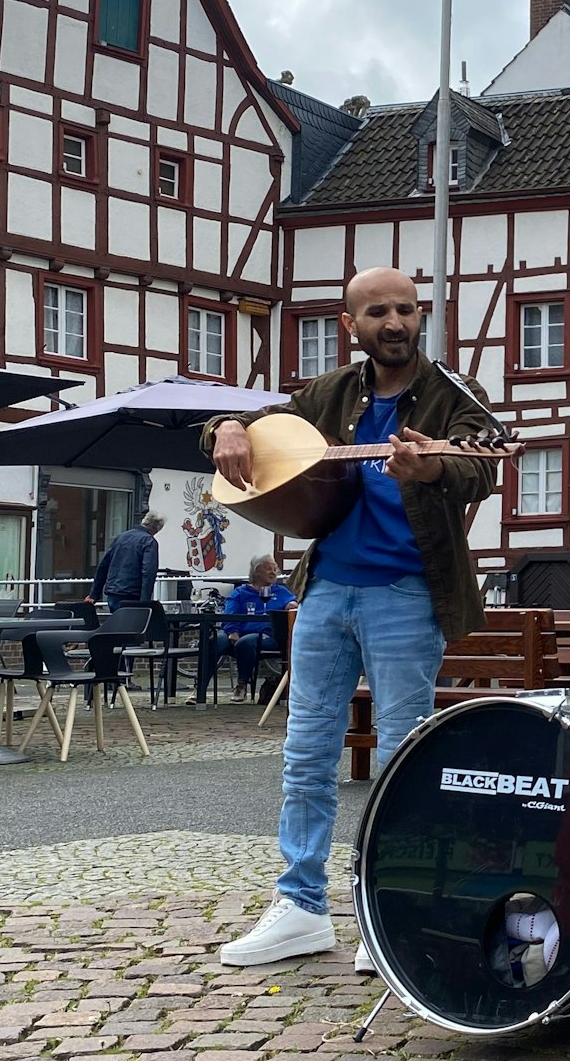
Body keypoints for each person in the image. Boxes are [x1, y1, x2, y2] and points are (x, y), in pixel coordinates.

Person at [203, 265, 498, 971]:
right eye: (377, 313)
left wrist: (435, 470)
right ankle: (301, 904)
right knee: (306, 753)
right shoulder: (329, 393)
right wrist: (227, 427)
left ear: (420, 314)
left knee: (402, 757)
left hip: (407, 591)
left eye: (404, 309)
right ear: (351, 324)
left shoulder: (456, 391)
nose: (393, 323)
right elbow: (252, 428)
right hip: (328, 588)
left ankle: (392, 905)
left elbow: (484, 461)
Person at [205, 555, 297, 703]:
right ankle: (200, 689)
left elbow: (293, 603)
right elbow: (229, 614)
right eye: (268, 569)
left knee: (246, 642)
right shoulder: (241, 593)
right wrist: (232, 631)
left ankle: (241, 685)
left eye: (275, 569)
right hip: (237, 633)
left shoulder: (280, 591)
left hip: (268, 636)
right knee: (214, 640)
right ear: (256, 571)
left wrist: (292, 604)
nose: (273, 572)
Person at [88, 511, 163, 608]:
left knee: (117, 621)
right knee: (134, 622)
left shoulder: (121, 537)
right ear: (155, 528)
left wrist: (94, 594)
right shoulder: (149, 541)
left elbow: (103, 566)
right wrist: (144, 601)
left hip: (113, 592)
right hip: (133, 594)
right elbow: (148, 572)